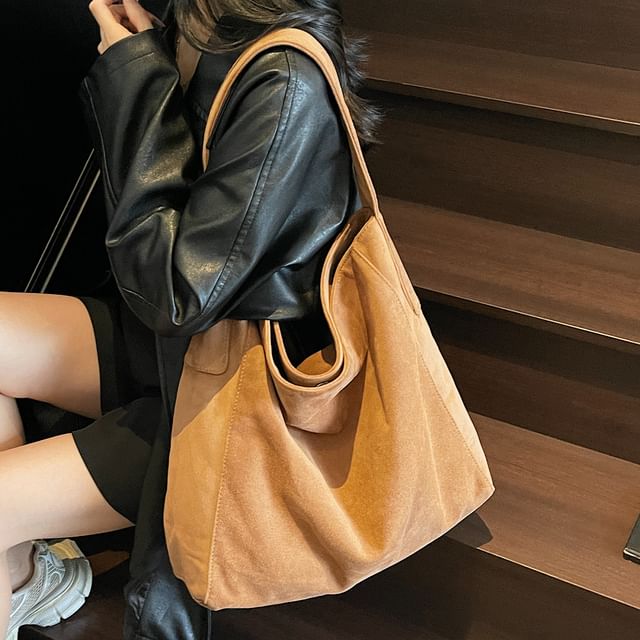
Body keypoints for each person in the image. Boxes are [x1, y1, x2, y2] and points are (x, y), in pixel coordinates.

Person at [0, 0, 382, 637]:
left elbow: (176, 293)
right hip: (182, 352)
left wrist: (135, 76)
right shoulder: (198, 25)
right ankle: (21, 583)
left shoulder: (288, 80)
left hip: (242, 398)